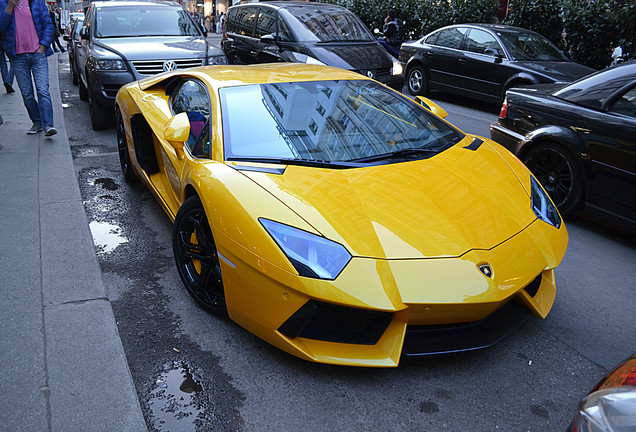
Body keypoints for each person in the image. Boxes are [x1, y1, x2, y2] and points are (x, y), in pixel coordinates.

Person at [0, 0, 57, 136]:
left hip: (37, 54)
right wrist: (10, 7)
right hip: (18, 57)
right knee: (27, 94)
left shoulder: (36, 2)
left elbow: (48, 25)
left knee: (43, 90)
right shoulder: (4, 3)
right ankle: (37, 122)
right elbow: (1, 27)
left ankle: (48, 125)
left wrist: (43, 46)